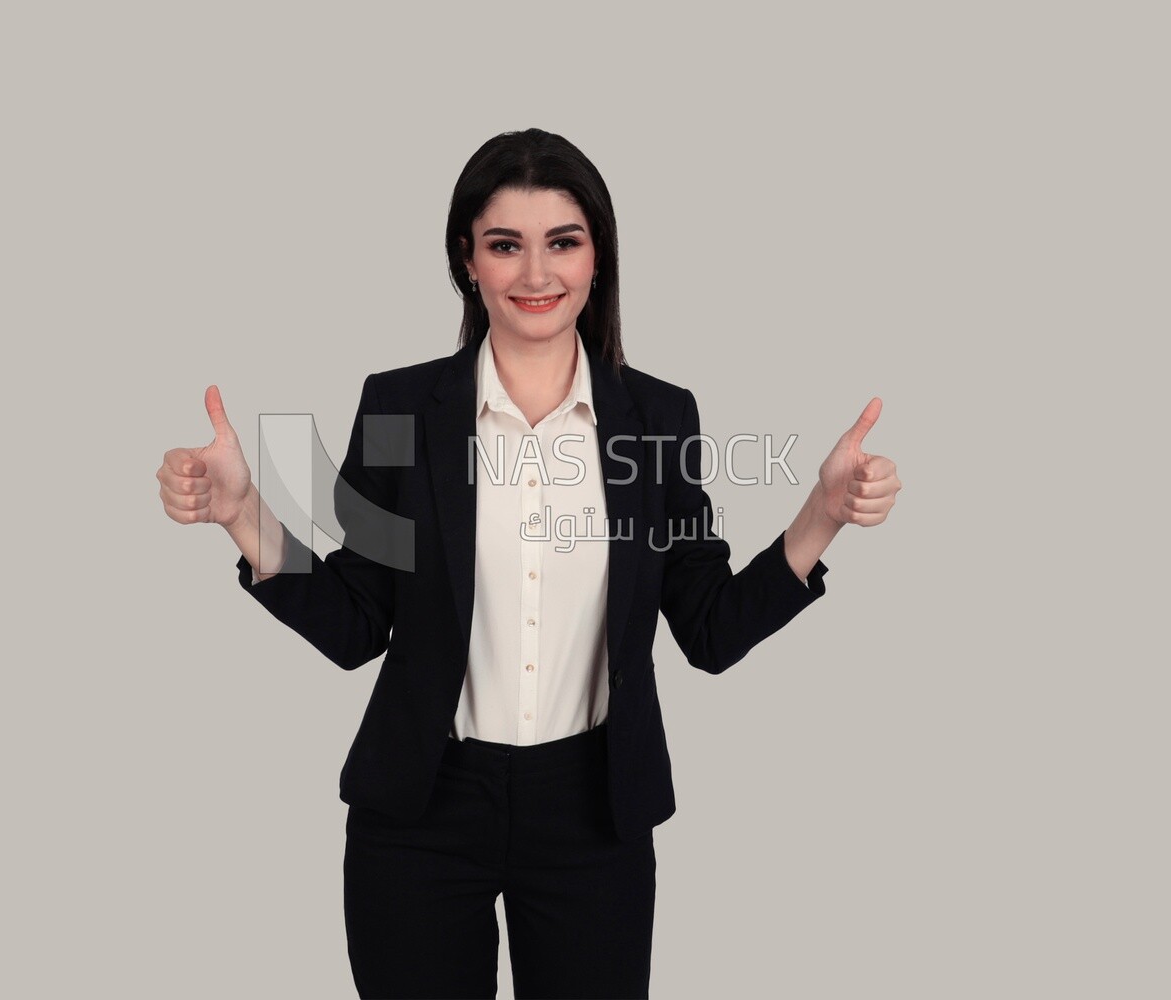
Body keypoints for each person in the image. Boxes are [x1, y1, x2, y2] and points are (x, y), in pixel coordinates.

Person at [156, 127, 902, 999]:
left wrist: (822, 514)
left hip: (594, 810)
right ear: (466, 260)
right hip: (421, 808)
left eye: (563, 242)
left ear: (597, 260)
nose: (536, 274)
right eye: (505, 244)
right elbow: (359, 618)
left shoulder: (659, 419)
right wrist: (241, 513)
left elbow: (707, 628)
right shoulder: (399, 407)